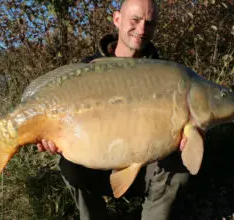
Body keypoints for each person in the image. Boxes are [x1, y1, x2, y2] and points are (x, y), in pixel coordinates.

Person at [37, 0, 191, 219]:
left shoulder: (165, 74)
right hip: (97, 163)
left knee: (179, 161)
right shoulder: (88, 69)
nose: (141, 30)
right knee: (68, 165)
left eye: (149, 23)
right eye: (135, 20)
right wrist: (51, 137)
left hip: (146, 168)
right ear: (117, 19)